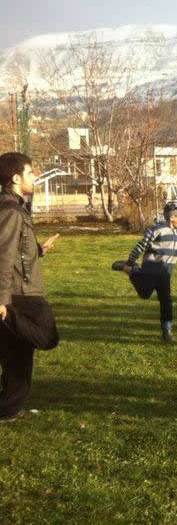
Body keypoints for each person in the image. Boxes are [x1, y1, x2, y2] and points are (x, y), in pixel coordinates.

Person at [0, 152, 60, 421]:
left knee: (16, 354)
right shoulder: (10, 211)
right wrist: (2, 301)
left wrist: (39, 250)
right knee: (46, 336)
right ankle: (8, 408)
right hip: (19, 294)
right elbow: (3, 255)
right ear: (16, 178)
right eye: (30, 172)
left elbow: (16, 249)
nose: (35, 176)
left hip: (17, 290)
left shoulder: (12, 206)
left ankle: (9, 409)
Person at [111, 199, 177, 343]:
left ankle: (167, 332)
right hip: (150, 270)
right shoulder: (156, 229)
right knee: (144, 294)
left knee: (166, 301)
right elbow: (140, 247)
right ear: (172, 217)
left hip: (165, 273)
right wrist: (130, 263)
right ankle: (131, 269)